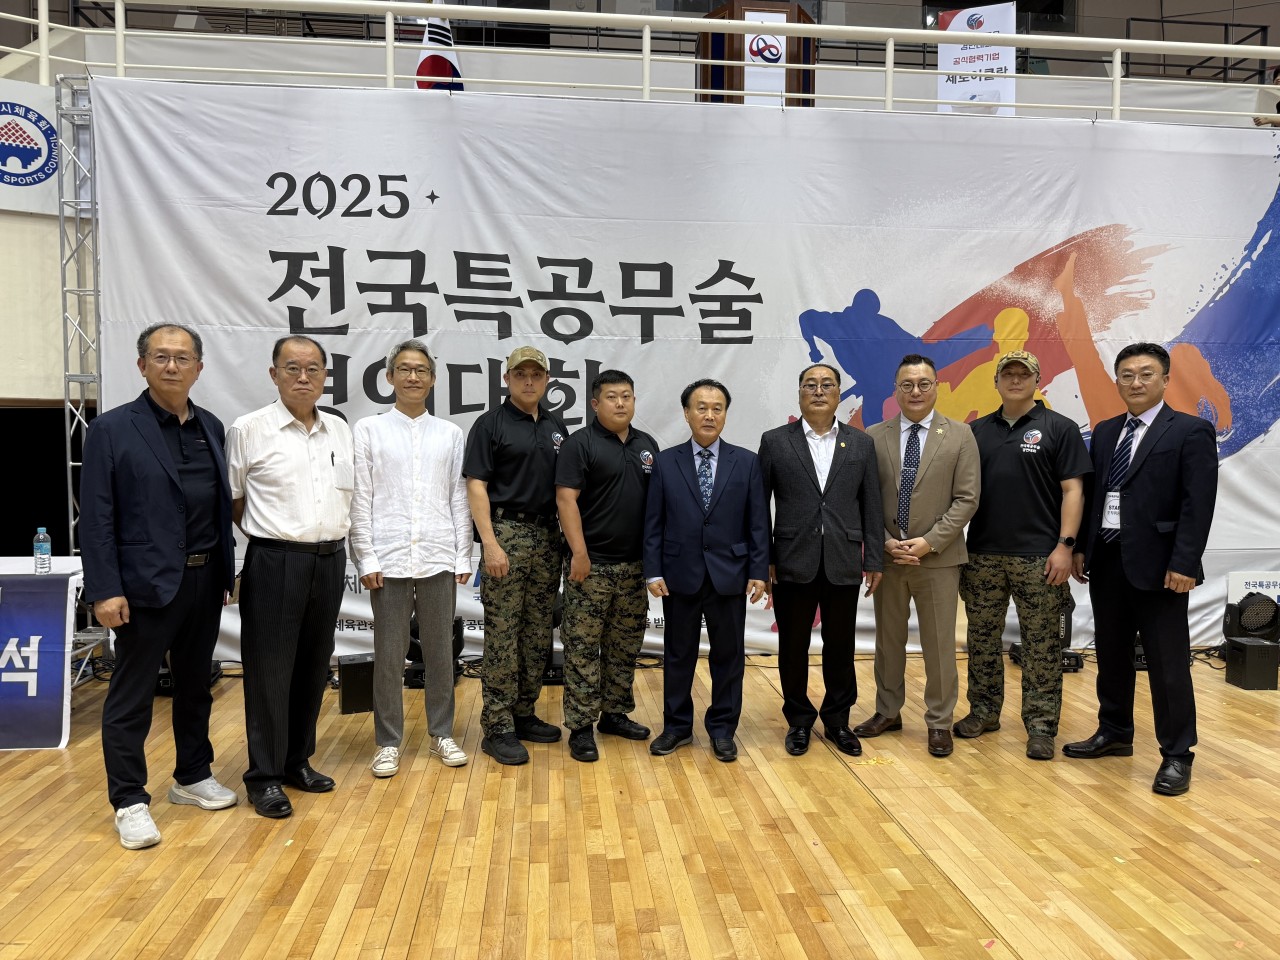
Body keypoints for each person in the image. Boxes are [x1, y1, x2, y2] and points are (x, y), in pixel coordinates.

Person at [80, 323, 238, 849]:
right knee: (132, 695)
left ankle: (192, 775)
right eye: (161, 357)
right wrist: (104, 589)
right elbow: (96, 518)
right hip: (143, 586)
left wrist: (225, 571)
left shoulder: (211, 426)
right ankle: (129, 800)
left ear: (199, 368)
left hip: (204, 579)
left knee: (196, 686)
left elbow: (218, 506)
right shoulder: (111, 429)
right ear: (142, 365)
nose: (172, 366)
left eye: (182, 358)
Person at [1065, 343, 1218, 796]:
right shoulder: (1106, 431)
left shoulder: (1190, 430)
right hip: (1108, 561)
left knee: (1168, 665)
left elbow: (1198, 504)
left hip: (1162, 567)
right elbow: (1097, 495)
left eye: (1146, 374)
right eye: (1127, 375)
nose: (1135, 382)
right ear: (1117, 381)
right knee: (1111, 655)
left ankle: (1177, 754)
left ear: (1166, 380)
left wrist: (1184, 562)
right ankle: (1114, 732)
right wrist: (1082, 548)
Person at [227, 335, 353, 819]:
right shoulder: (249, 428)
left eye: (313, 368)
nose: (304, 377)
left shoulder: (339, 428)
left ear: (325, 376)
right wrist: (275, 539)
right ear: (274, 374)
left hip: (330, 559)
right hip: (276, 559)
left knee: (313, 667)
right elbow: (234, 500)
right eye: (293, 368)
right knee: (269, 672)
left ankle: (297, 761)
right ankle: (263, 777)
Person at [953, 350, 1091, 760]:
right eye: (1008, 374)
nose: (1016, 380)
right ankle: (983, 712)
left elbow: (1073, 490)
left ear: (1037, 380)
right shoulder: (975, 431)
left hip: (1040, 556)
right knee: (981, 639)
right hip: (982, 555)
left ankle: (1041, 726)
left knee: (1041, 644)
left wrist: (1066, 546)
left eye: (1023, 374)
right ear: (996, 381)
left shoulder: (1060, 428)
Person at [350, 340, 472, 778]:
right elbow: (361, 496)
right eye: (404, 369)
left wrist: (463, 553)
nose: (413, 377)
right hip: (389, 556)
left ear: (433, 379)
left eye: (421, 370)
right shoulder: (369, 430)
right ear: (389, 377)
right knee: (389, 654)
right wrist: (366, 556)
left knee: (440, 651)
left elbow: (458, 497)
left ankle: (443, 733)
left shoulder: (450, 434)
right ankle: (388, 742)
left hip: (437, 553)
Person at [856, 354, 981, 758]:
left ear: (936, 387)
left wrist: (929, 541)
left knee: (940, 644)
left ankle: (939, 721)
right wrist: (884, 542)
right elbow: (863, 498)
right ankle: (887, 711)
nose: (915, 391)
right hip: (889, 558)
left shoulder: (960, 435)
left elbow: (967, 499)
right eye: (907, 384)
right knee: (888, 641)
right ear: (895, 390)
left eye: (924, 383)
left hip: (938, 559)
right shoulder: (873, 435)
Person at [758, 364, 884, 758]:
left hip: (843, 560)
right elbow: (759, 507)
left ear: (838, 393)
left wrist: (874, 559)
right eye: (810, 385)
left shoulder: (860, 443)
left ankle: (837, 720)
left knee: (841, 646)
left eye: (826, 384)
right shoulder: (775, 441)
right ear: (799, 393)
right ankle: (798, 720)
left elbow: (872, 506)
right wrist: (765, 559)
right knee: (792, 646)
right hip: (791, 560)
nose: (818, 391)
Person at [643, 379, 770, 763]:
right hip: (679, 574)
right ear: (686, 413)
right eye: (701, 407)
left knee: (728, 657)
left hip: (730, 574)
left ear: (726, 414)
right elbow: (653, 522)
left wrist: (759, 570)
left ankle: (722, 729)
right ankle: (677, 727)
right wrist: (652, 571)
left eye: (717, 408)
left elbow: (758, 522)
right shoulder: (666, 462)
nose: (709, 415)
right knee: (677, 654)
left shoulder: (746, 462)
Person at [464, 346, 569, 766]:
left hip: (547, 536)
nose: (529, 381)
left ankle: (524, 712)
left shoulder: (556, 426)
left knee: (538, 633)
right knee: (503, 635)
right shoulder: (490, 424)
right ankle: (498, 726)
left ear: (546, 380)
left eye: (536, 374)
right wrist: (489, 543)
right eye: (520, 374)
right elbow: (476, 486)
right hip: (506, 532)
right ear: (506, 379)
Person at [555, 370, 657, 762]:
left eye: (626, 396)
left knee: (624, 645)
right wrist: (579, 554)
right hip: (591, 566)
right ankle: (581, 726)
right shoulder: (579, 444)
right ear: (595, 403)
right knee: (582, 648)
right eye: (612, 397)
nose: (620, 403)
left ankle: (614, 714)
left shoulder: (646, 445)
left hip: (634, 568)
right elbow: (566, 500)